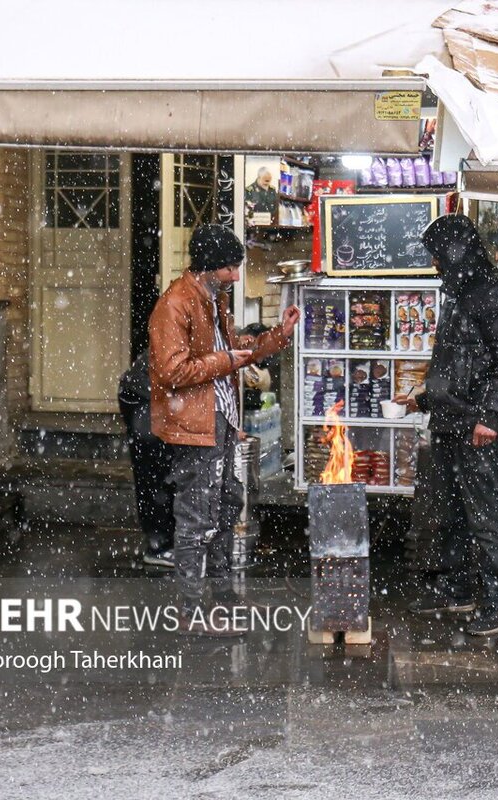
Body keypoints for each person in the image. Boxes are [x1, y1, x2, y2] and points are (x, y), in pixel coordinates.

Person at [149, 224, 299, 637]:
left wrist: (278, 337)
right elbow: (172, 371)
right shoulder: (175, 305)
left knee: (228, 506)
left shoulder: (215, 301)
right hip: (193, 428)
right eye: (231, 267)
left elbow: (237, 350)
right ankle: (190, 611)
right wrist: (226, 360)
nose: (236, 275)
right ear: (210, 266)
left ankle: (223, 597)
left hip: (222, 424)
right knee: (197, 519)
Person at [394, 214, 498, 636]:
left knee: (487, 513)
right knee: (448, 509)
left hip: (477, 424)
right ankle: (457, 589)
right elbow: (451, 363)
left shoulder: (495, 293)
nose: (434, 263)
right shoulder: (460, 290)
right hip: (451, 419)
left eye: (437, 255)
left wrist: (491, 416)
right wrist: (422, 397)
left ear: (453, 253)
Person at [117, 350, 175, 568]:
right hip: (144, 396)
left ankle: (164, 539)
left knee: (162, 469)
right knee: (154, 471)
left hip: (150, 394)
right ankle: (158, 545)